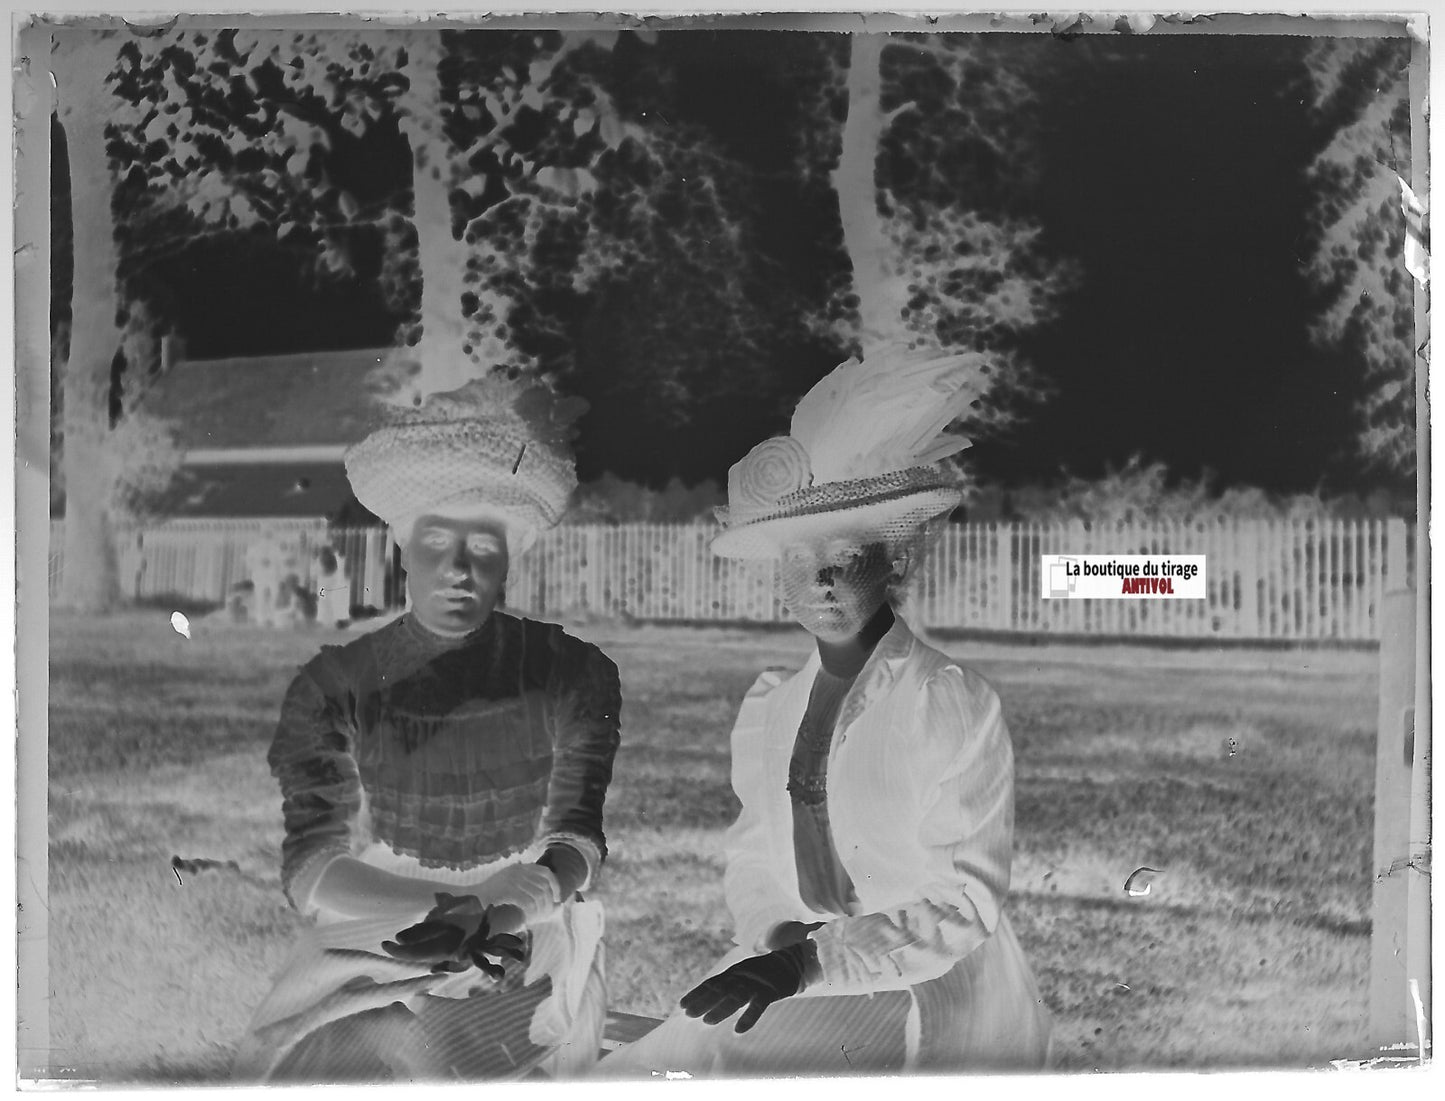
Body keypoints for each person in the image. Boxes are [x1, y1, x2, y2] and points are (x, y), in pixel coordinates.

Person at [602, 348, 1051, 1077]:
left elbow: (963, 905)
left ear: (893, 560)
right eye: (797, 556)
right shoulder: (773, 704)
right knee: (655, 1066)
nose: (819, 577)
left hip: (927, 986)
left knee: (742, 1064)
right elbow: (754, 854)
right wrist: (780, 939)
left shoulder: (944, 698)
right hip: (794, 961)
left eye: (846, 550)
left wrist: (806, 967)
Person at [234, 378, 621, 1082]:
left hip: (526, 927)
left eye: (484, 545)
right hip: (381, 925)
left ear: (511, 556)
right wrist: (437, 909)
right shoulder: (334, 682)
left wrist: (504, 905)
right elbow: (316, 865)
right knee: (360, 1055)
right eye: (436, 540)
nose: (459, 567)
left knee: (486, 1054)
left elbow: (574, 838)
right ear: (401, 548)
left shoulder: (572, 673)